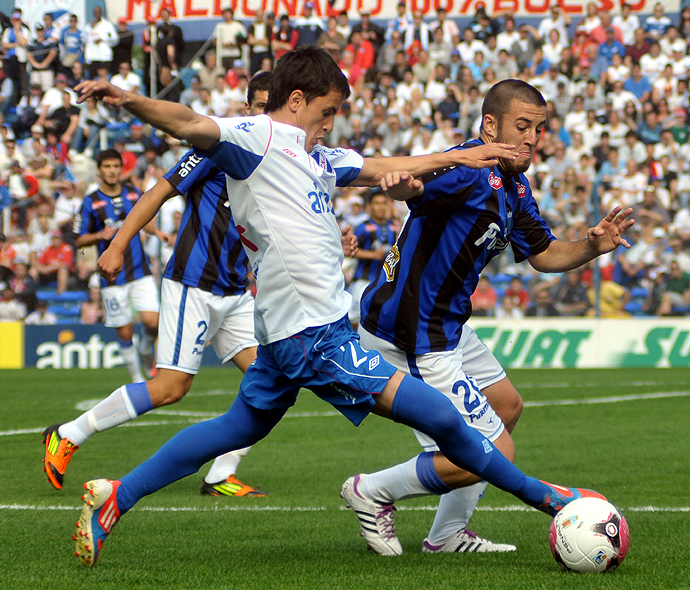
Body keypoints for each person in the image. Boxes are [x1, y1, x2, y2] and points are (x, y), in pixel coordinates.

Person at [70, 47, 604, 568]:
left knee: (237, 428)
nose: (331, 123)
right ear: (297, 100)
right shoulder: (256, 137)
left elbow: (383, 166)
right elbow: (189, 122)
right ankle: (548, 500)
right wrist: (124, 98)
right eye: (328, 111)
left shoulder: (319, 157)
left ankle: (120, 494)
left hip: (288, 331)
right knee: (444, 417)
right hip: (314, 337)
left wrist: (458, 156)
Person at [351, 79, 634, 555]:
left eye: (538, 129)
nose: (531, 138)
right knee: (493, 452)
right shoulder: (467, 167)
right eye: (521, 126)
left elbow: (543, 254)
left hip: (447, 327)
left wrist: (591, 245)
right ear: (489, 125)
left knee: (506, 407)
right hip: (413, 334)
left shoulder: (515, 187)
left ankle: (444, 537)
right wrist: (407, 186)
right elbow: (420, 187)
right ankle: (372, 491)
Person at [42, 72, 274, 497]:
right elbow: (158, 192)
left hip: (236, 292)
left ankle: (220, 474)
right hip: (194, 283)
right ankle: (69, 434)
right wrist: (116, 244)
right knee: (171, 388)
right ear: (247, 109)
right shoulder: (217, 148)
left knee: (272, 383)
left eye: (271, 106)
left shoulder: (280, 159)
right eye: (259, 105)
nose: (265, 114)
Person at [73, 149, 160, 384]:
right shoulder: (90, 201)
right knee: (124, 331)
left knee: (153, 323)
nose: (112, 171)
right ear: (99, 170)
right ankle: (135, 380)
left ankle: (145, 349)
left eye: (115, 166)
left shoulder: (133, 193)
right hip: (111, 276)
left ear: (121, 169)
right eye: (107, 167)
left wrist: (159, 232)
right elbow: (79, 240)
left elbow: (145, 220)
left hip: (140, 271)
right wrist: (99, 234)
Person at [348, 190, 397, 328]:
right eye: (377, 204)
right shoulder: (362, 228)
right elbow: (350, 251)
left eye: (383, 204)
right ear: (370, 206)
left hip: (384, 281)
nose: (381, 207)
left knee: (379, 318)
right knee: (355, 316)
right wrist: (372, 255)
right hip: (363, 280)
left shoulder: (393, 227)